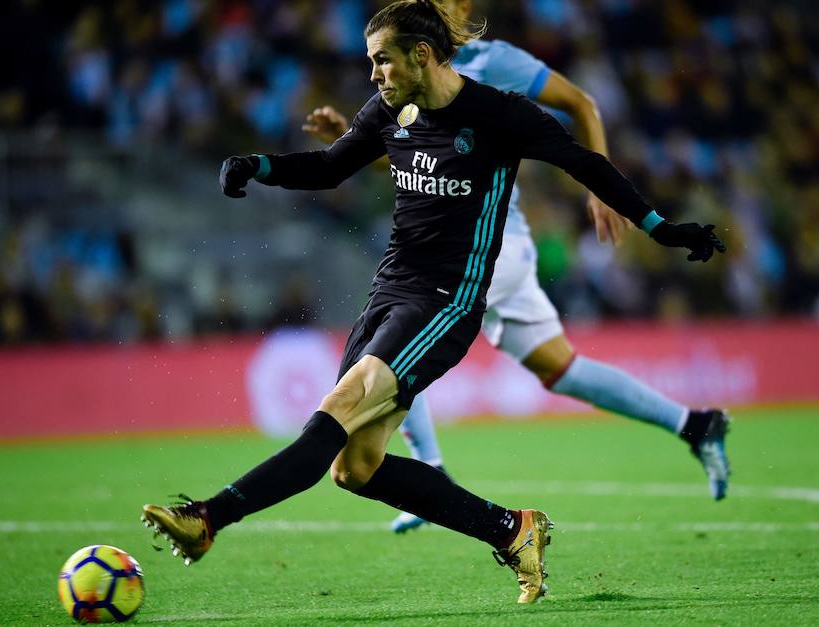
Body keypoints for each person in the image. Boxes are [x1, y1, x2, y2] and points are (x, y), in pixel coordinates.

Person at [141, 0, 725, 604]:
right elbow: (328, 168)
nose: (374, 75)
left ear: (421, 56)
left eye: (382, 61)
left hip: (447, 303)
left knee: (338, 408)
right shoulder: (391, 110)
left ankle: (208, 518)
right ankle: (513, 529)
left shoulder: (499, 114)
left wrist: (662, 228)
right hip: (388, 293)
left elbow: (585, 164)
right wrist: (257, 165)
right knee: (354, 468)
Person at [301, 0, 732, 536]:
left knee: (398, 337)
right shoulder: (409, 79)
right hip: (486, 242)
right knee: (559, 367)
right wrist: (354, 141)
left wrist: (601, 192)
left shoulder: (493, 60)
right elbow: (427, 166)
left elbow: (581, 103)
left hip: (490, 244)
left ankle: (427, 474)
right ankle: (694, 423)